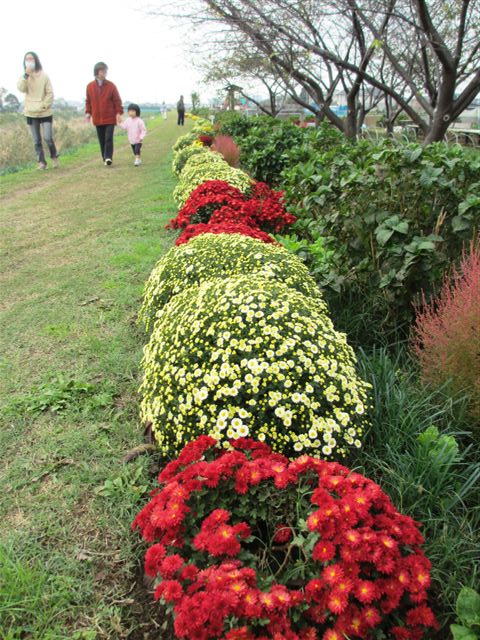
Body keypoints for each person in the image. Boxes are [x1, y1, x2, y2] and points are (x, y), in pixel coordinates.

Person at [17, 51, 59, 170]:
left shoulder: (44, 75)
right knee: (36, 140)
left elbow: (50, 93)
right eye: (27, 59)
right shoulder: (24, 76)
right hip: (30, 112)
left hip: (44, 111)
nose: (29, 61)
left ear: (36, 60)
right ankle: (41, 162)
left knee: (48, 137)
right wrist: (26, 75)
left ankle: (54, 156)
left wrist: (44, 105)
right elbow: (21, 88)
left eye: (31, 59)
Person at [85, 62, 123, 166]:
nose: (105, 72)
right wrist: (88, 113)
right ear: (97, 72)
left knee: (108, 138)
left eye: (106, 70)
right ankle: (104, 158)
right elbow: (88, 101)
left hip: (110, 117)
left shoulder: (111, 86)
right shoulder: (90, 86)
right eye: (102, 70)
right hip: (97, 118)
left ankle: (108, 157)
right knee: (101, 139)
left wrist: (118, 113)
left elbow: (117, 100)